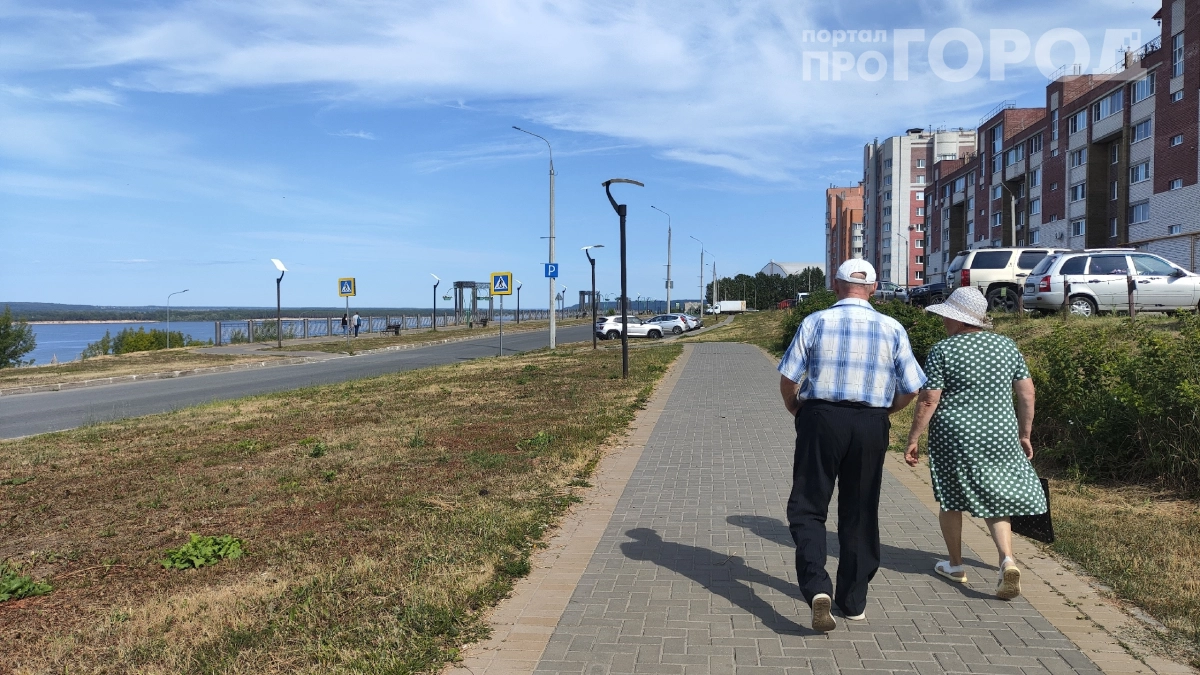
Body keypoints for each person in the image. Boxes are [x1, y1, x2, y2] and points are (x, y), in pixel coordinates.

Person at [778, 259, 926, 632]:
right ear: (874, 288)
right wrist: (884, 413)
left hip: (821, 417)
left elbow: (788, 376)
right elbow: (911, 387)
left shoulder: (815, 321)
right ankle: (853, 601)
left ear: (835, 284)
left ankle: (816, 587)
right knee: (860, 510)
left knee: (809, 505)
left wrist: (796, 407)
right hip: (870, 422)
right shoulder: (892, 327)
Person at [903, 286, 1045, 601]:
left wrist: (913, 438)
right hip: (1000, 433)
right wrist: (1025, 433)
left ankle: (955, 565)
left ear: (958, 319)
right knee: (996, 496)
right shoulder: (1007, 347)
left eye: (947, 317)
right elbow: (1027, 393)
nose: (943, 323)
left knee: (951, 499)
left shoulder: (944, 350)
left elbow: (929, 400)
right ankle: (1007, 559)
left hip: (956, 435)